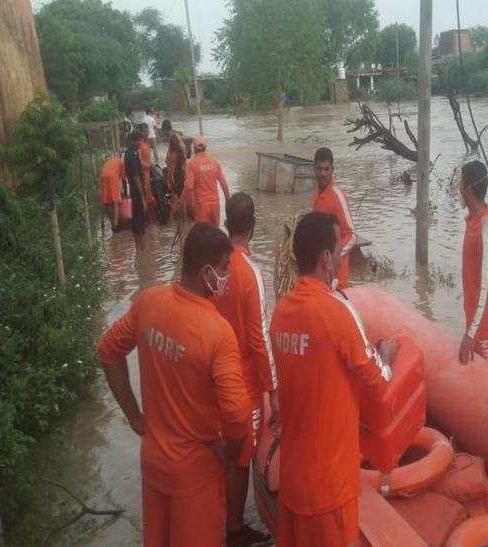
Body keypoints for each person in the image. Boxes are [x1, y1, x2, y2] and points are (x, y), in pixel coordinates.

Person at [97, 223, 254, 547]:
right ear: (207, 271)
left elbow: (108, 350)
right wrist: (229, 455)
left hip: (153, 461)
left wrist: (136, 418)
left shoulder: (149, 301)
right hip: (195, 475)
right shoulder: (217, 332)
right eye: (225, 268)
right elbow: (238, 416)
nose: (227, 276)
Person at [270, 211, 398, 547]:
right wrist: (386, 355)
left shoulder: (281, 313)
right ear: (327, 258)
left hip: (293, 479)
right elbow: (378, 380)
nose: (342, 258)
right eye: (339, 252)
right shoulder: (337, 313)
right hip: (330, 487)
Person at [210, 193, 276, 547]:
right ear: (252, 226)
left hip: (211, 379)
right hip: (241, 385)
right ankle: (233, 529)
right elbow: (259, 338)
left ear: (226, 223)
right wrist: (274, 391)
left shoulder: (211, 266)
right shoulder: (251, 273)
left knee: (218, 451)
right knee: (239, 458)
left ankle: (216, 517)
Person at [457, 160, 488, 373]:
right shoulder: (477, 218)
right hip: (476, 316)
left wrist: (471, 334)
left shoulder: (485, 229)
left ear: (467, 188)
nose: (458, 188)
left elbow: (485, 288)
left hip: (486, 322)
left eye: (460, 183)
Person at [311, 147, 356, 289]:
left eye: (326, 169)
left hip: (338, 277)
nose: (322, 173)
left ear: (332, 170)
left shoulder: (337, 197)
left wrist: (333, 257)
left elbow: (351, 235)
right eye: (319, 169)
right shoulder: (316, 196)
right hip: (322, 273)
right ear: (314, 169)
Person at [187, 135, 230, 227]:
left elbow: (189, 187)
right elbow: (224, 185)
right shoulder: (215, 162)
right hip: (215, 205)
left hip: (201, 207)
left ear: (194, 149)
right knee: (215, 234)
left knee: (203, 236)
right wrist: (228, 203)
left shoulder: (191, 164)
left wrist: (181, 202)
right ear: (205, 147)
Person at [124, 130, 149, 251]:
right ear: (133, 141)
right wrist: (143, 197)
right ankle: (143, 250)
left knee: (135, 220)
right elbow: (136, 177)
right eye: (139, 140)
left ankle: (139, 249)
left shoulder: (128, 153)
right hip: (137, 191)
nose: (141, 143)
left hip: (133, 190)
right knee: (140, 220)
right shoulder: (133, 156)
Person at [99, 154, 125, 230]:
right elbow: (123, 179)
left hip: (103, 175)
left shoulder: (112, 160)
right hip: (112, 176)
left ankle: (112, 223)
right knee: (115, 200)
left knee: (107, 201)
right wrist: (125, 194)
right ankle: (116, 223)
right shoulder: (123, 163)